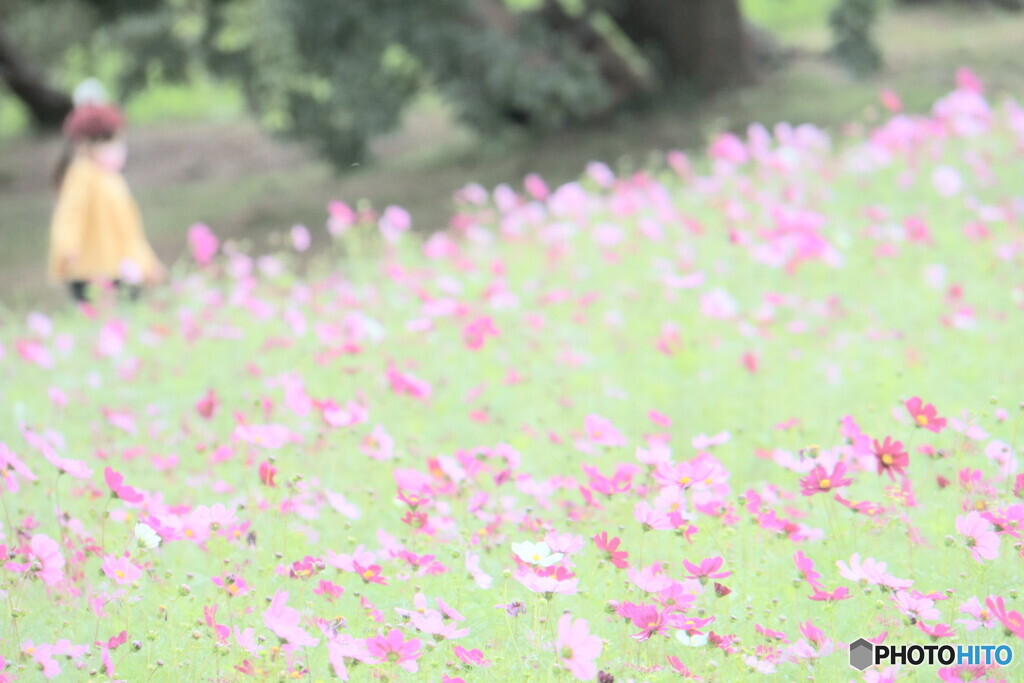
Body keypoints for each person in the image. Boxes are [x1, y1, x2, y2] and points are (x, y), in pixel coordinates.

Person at [48, 86, 165, 304]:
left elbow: (129, 231)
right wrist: (67, 247)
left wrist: (148, 264)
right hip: (90, 269)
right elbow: (70, 214)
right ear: (84, 145)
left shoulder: (111, 178)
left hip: (120, 268)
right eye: (109, 141)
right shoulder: (82, 174)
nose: (116, 147)